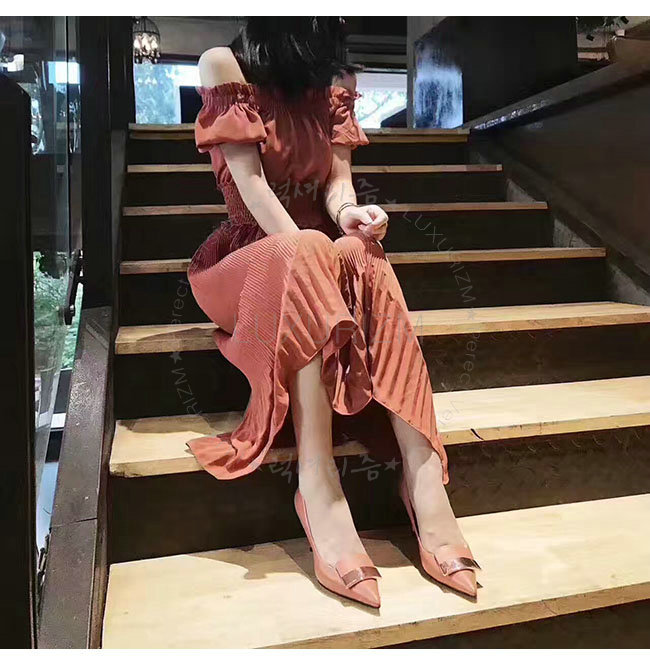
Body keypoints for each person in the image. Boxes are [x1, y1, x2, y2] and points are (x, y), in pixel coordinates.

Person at [187, 17, 480, 608]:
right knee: (309, 250)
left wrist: (352, 215)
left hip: (314, 254)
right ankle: (317, 485)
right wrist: (309, 251)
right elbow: (250, 184)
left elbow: (337, 185)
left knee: (361, 251)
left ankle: (424, 476)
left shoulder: (333, 83)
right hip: (246, 262)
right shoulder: (224, 64)